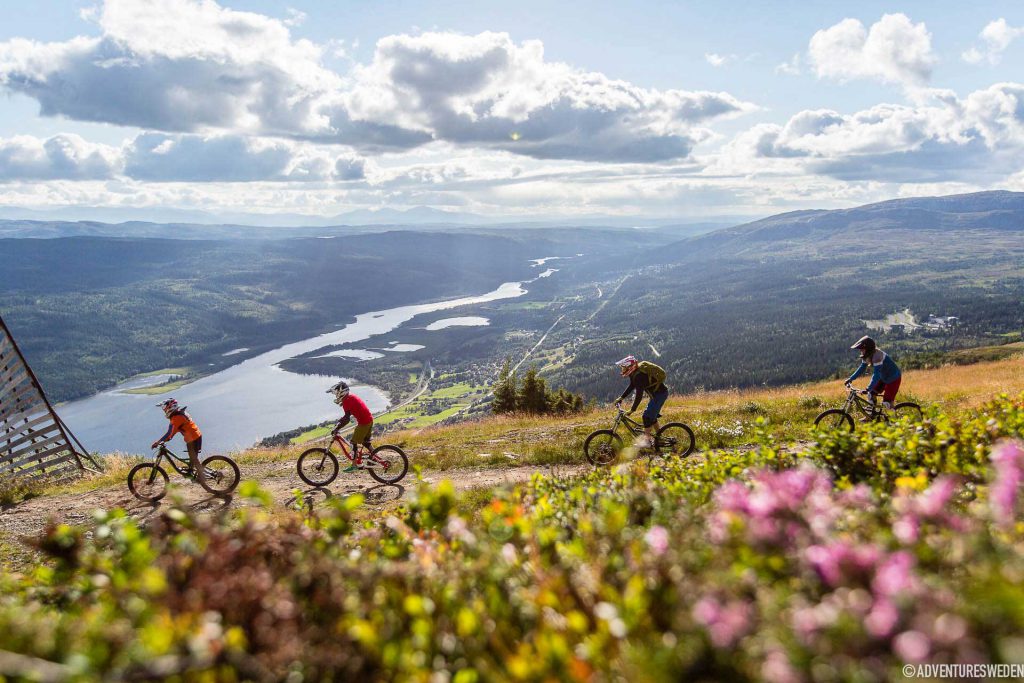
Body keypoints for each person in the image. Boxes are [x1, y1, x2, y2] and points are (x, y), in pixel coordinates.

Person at [614, 355, 668, 448]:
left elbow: (639, 395)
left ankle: (647, 441)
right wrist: (621, 397)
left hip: (660, 395)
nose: (622, 370)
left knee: (646, 416)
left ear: (630, 367)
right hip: (656, 395)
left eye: (624, 368)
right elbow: (632, 386)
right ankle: (660, 439)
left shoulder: (639, 376)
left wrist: (632, 409)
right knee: (652, 417)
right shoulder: (634, 373)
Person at [151, 398, 207, 488]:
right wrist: (165, 439)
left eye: (165, 407)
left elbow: (169, 434)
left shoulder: (176, 418)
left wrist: (158, 442)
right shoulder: (178, 414)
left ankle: (202, 478)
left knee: (194, 459)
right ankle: (192, 472)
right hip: (195, 436)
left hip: (193, 438)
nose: (164, 410)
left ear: (170, 407)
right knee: (193, 459)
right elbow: (173, 431)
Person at [846, 335, 902, 416]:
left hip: (893, 379)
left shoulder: (877, 356)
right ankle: (871, 416)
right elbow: (862, 368)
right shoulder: (867, 355)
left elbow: (876, 374)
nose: (861, 351)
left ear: (868, 349)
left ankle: (893, 423)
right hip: (883, 377)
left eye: (862, 349)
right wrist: (850, 378)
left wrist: (868, 387)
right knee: (870, 395)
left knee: (887, 403)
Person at [327, 380, 375, 473]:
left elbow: (347, 418)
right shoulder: (350, 398)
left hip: (364, 422)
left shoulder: (347, 400)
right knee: (366, 442)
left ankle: (354, 465)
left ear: (341, 392)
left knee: (353, 443)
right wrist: (339, 423)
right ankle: (375, 458)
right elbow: (346, 416)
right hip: (368, 420)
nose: (335, 395)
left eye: (336, 393)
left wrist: (337, 428)